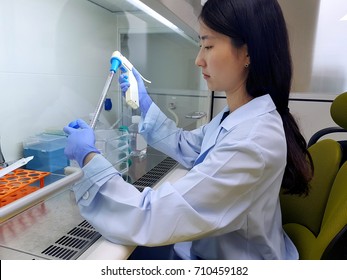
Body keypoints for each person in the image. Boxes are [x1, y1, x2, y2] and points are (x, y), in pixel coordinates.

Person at [63, 0, 313, 260]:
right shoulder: (238, 118)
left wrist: (88, 158)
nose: (198, 60)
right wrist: (145, 106)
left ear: (248, 52)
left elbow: (148, 217)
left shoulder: (252, 142)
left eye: (208, 45)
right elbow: (189, 145)